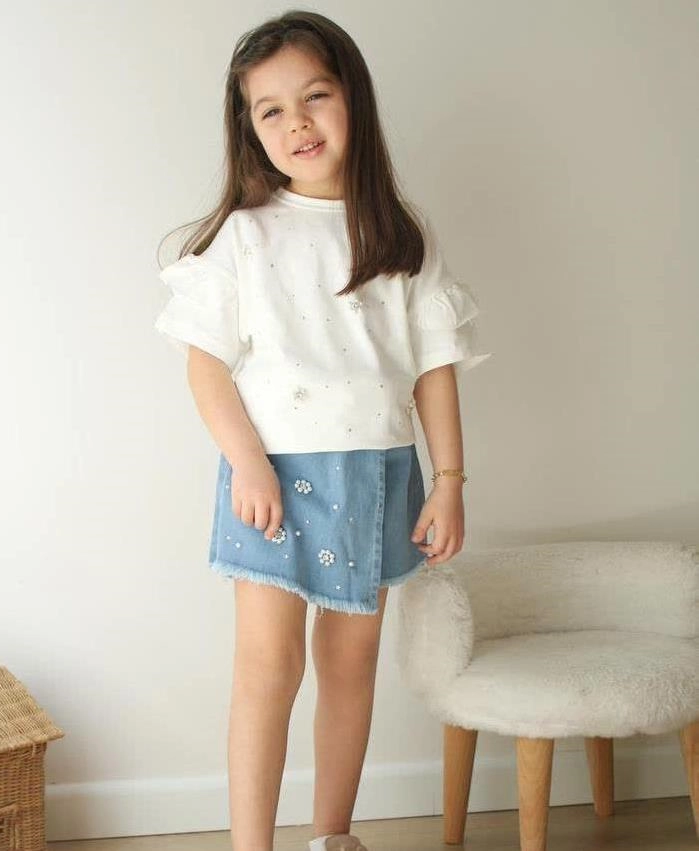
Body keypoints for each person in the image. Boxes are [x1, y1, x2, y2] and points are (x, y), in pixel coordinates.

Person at [153, 10, 492, 851]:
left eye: (314, 96)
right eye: (270, 109)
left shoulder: (399, 233)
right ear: (250, 129)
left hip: (376, 473)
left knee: (349, 665)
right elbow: (206, 367)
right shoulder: (244, 235)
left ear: (352, 100)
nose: (296, 122)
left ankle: (331, 836)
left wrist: (449, 481)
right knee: (268, 668)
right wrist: (247, 464)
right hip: (271, 475)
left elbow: (433, 368)